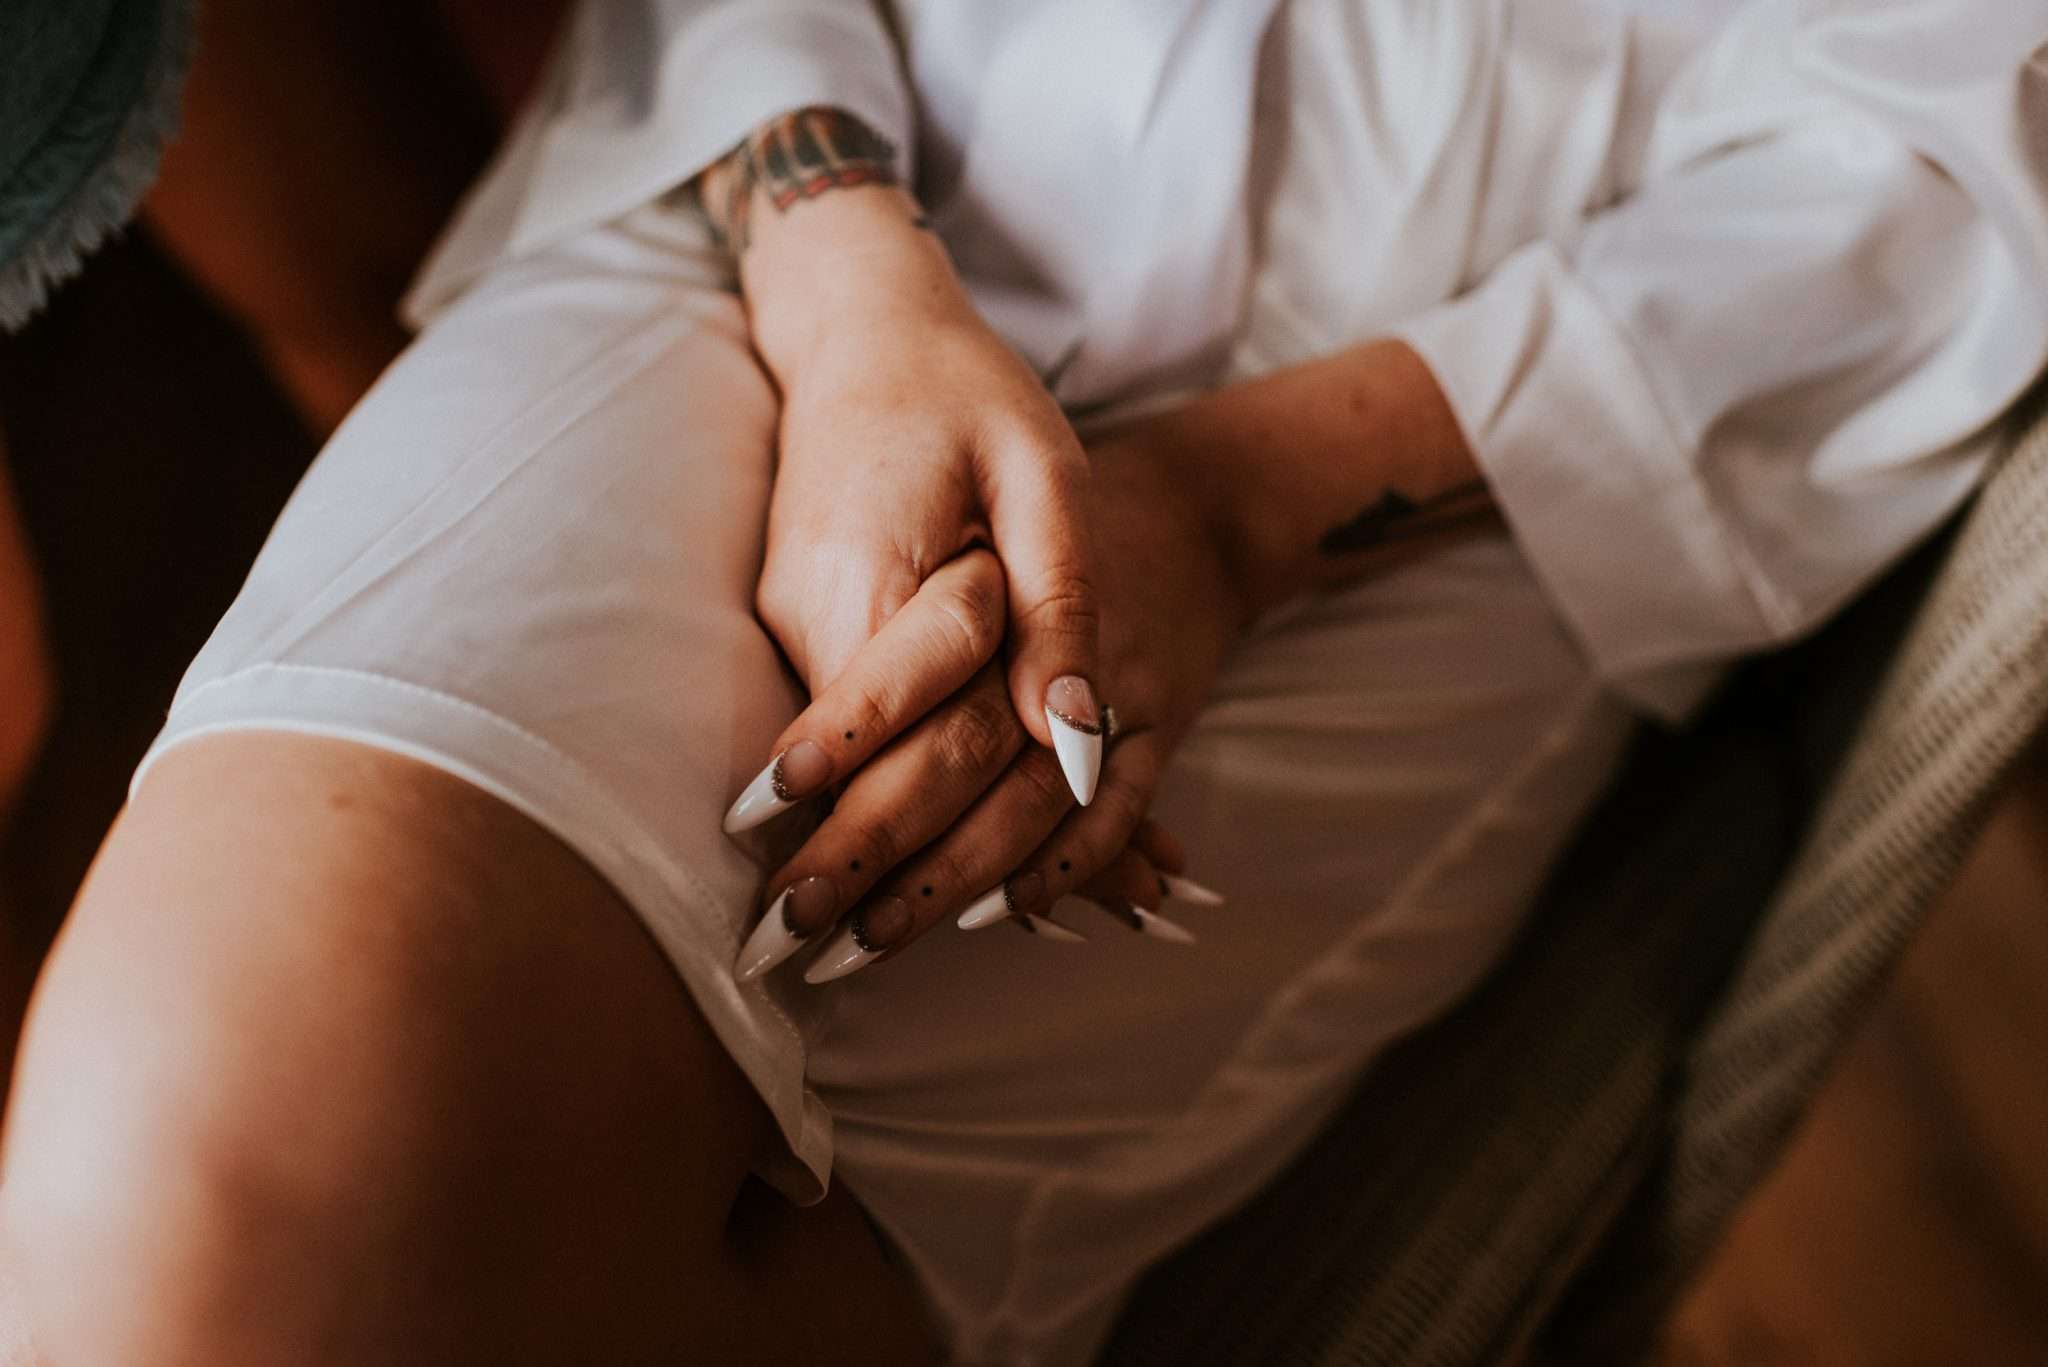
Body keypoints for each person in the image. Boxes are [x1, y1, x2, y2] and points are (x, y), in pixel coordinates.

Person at [3, 1, 2045, 1364]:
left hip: (1455, 437)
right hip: (786, 183)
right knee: (191, 1230)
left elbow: (1959, 156)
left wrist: (1236, 513)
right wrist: (839, 267)